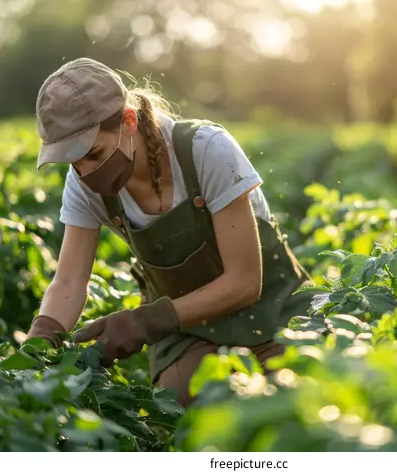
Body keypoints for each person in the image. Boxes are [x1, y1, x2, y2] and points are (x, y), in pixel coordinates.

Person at [25, 57, 314, 407]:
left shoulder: (205, 150)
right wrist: (38, 345)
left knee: (299, 392)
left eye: (94, 153)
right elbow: (69, 282)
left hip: (274, 305)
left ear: (128, 121)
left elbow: (245, 281)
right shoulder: (86, 187)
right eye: (74, 161)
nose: (86, 172)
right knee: (189, 404)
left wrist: (146, 321)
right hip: (188, 331)